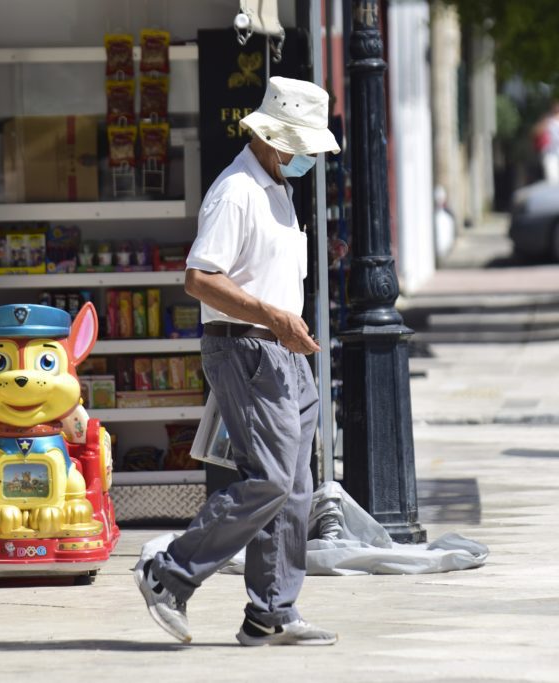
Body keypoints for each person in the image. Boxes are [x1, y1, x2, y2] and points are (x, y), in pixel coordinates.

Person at [134, 76, 340, 646]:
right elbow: (199, 278)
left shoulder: (274, 186)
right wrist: (274, 318)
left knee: (294, 487)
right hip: (250, 347)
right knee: (271, 479)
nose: (306, 159)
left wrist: (283, 324)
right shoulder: (238, 190)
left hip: (280, 351)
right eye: (302, 147)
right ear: (276, 140)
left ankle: (270, 611)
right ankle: (170, 571)